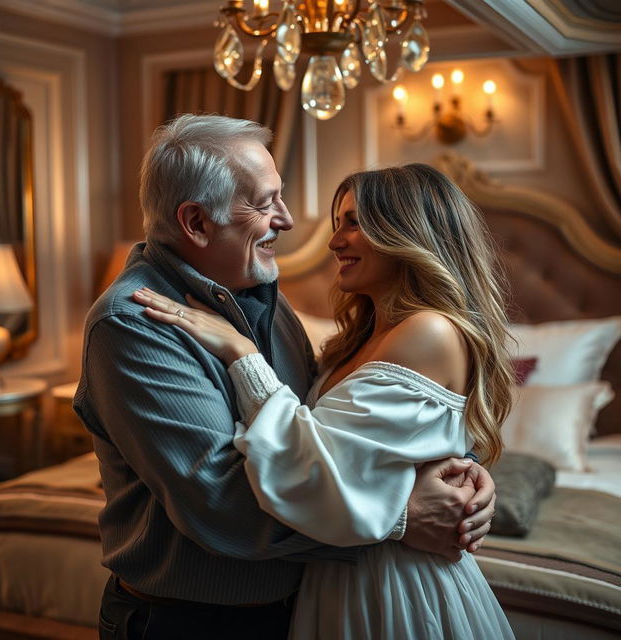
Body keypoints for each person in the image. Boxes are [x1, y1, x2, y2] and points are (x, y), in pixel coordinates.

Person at [75, 114, 496, 640]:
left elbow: (361, 426)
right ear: (197, 223)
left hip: (298, 606)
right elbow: (222, 504)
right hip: (192, 621)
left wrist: (455, 468)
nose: (290, 221)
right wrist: (403, 518)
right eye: (265, 201)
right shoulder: (136, 325)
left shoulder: (265, 299)